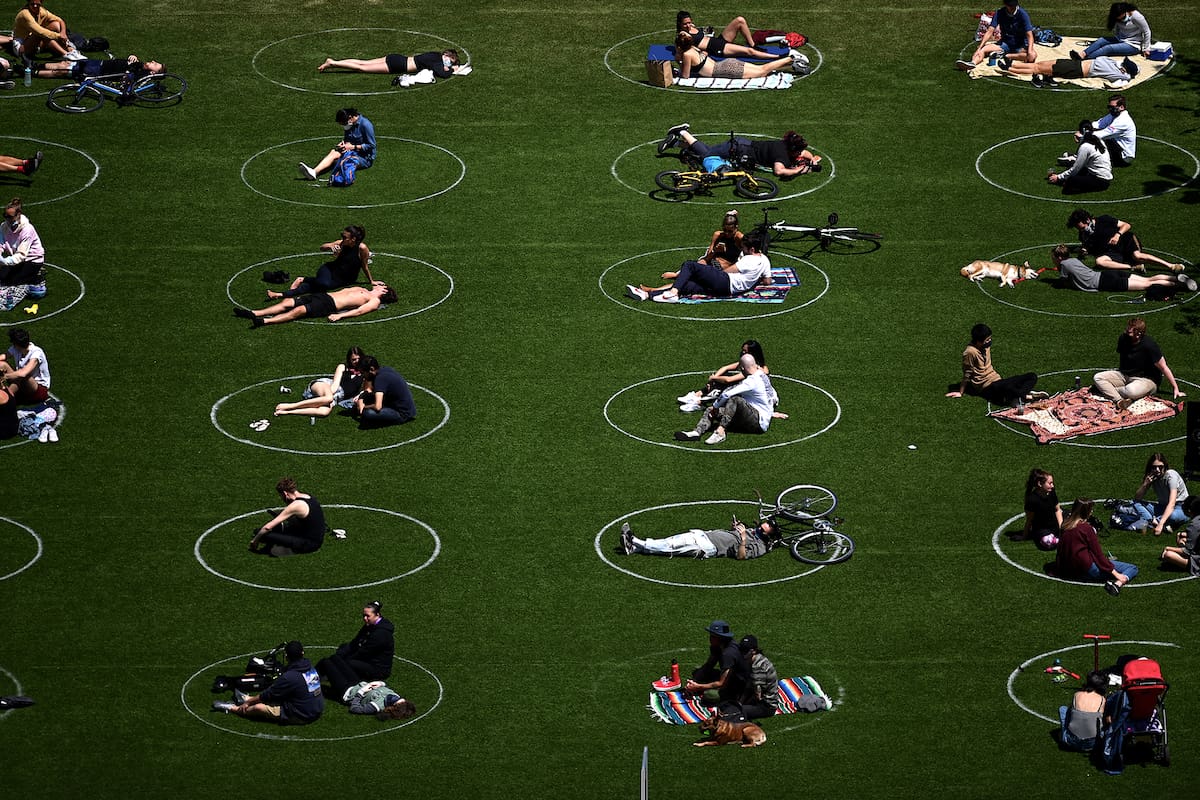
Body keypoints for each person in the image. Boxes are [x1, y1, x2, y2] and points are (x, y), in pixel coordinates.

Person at [212, 641, 324, 725]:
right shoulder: (310, 668)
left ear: (286, 656)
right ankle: (246, 698)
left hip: (302, 715)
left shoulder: (290, 677)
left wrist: (249, 703)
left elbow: (268, 695)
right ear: (302, 653)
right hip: (315, 709)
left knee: (259, 708)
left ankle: (232, 707)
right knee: (279, 694)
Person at [675, 353, 777, 445]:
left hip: (758, 422)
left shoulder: (751, 381)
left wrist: (715, 406)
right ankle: (696, 432)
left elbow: (727, 394)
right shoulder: (761, 374)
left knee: (735, 400)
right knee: (710, 410)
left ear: (742, 368)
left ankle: (720, 432)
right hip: (754, 415)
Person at [659, 124, 822, 179]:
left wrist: (811, 160)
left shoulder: (785, 147)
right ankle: (682, 132)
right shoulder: (781, 155)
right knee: (707, 155)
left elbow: (804, 153)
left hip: (741, 146)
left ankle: (676, 144)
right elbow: (779, 171)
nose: (800, 154)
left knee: (708, 151)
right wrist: (799, 170)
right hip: (738, 149)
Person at [643, 235, 772, 303]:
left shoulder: (749, 259)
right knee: (689, 286)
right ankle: (648, 295)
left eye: (744, 248)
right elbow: (767, 281)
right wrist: (754, 279)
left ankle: (673, 292)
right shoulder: (765, 260)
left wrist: (710, 274)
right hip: (728, 291)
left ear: (752, 249)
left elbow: (727, 271)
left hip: (725, 281)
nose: (743, 251)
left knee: (690, 265)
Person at [1092, 317, 1184, 410]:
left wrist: (1175, 388)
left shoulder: (1149, 345)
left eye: (1131, 331)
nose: (1128, 331)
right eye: (1128, 328)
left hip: (1146, 379)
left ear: (1139, 333)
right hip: (1124, 375)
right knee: (1098, 377)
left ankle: (1109, 390)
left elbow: (1163, 367)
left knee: (1131, 391)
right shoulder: (1123, 338)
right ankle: (1119, 400)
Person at [1054, 498, 1138, 595]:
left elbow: (1061, 550)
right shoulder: (1086, 529)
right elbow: (1098, 555)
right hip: (1087, 569)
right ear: (1085, 511)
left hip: (1069, 569)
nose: (1092, 511)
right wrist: (1116, 574)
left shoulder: (1065, 525)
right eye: (1090, 509)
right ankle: (1117, 584)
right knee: (1132, 568)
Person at [945, 323, 1041, 406]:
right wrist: (961, 392)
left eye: (990, 339)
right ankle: (1026, 396)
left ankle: (1016, 396)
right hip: (985, 387)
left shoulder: (985, 346)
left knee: (1032, 376)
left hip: (997, 380)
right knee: (1007, 387)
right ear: (978, 341)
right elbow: (967, 373)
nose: (989, 342)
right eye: (987, 340)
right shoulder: (970, 352)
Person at [317, 600, 396, 700]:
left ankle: (335, 678)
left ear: (377, 615)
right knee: (342, 649)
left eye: (368, 616)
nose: (365, 618)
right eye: (364, 615)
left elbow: (364, 653)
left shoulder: (380, 634)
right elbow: (355, 642)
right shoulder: (370, 625)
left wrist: (343, 661)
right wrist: (341, 654)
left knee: (347, 663)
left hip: (377, 669)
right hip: (369, 659)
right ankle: (321, 675)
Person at [268, 226, 373, 299]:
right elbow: (321, 247)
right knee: (323, 284)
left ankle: (290, 288)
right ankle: (291, 288)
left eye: (345, 237)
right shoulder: (341, 243)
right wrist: (330, 246)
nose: (342, 238)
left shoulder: (362, 249)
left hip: (344, 279)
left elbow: (364, 266)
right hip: (329, 270)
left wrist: (371, 281)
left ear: (353, 239)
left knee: (317, 287)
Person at [233, 281, 397, 327]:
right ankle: (256, 312)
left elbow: (360, 311)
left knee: (299, 310)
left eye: (381, 285)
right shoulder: (363, 288)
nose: (377, 284)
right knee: (289, 302)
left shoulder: (374, 300)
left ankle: (265, 321)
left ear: (384, 290)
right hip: (324, 296)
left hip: (330, 305)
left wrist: (340, 316)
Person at [1067, 211, 1185, 274]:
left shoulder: (1103, 219)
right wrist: (1084, 251)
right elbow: (1091, 249)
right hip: (1112, 252)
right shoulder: (1084, 236)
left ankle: (1171, 266)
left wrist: (1117, 235)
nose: (1082, 230)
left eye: (1082, 227)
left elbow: (1126, 225)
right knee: (1100, 261)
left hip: (1125, 241)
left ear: (1087, 220)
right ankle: (1133, 267)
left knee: (1137, 255)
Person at [1050, 244, 1194, 296]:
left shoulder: (1063, 266)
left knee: (1147, 285)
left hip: (1104, 283)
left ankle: (1181, 286)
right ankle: (1177, 278)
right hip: (1106, 274)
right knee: (1147, 279)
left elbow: (1062, 283)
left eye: (1053, 257)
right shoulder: (1074, 260)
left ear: (1059, 257)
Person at [618, 516, 781, 559]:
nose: (765, 524)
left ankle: (633, 540)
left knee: (671, 545)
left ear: (770, 533)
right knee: (670, 544)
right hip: (706, 535)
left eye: (768, 525)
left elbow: (741, 556)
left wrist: (743, 538)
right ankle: (633, 548)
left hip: (709, 546)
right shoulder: (754, 531)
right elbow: (734, 537)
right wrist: (736, 528)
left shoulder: (761, 547)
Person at [676, 339, 768, 412]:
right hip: (745, 391)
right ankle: (698, 395)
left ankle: (700, 402)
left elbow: (729, 380)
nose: (742, 353)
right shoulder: (747, 362)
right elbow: (725, 368)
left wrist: (714, 378)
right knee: (723, 377)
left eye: (745, 351)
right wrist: (713, 380)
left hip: (752, 397)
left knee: (728, 386)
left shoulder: (756, 369)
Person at [274, 346, 366, 418]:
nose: (356, 361)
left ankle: (287, 412)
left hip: (337, 397)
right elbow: (334, 385)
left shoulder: (364, 372)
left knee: (324, 412)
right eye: (354, 359)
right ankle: (290, 406)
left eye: (358, 359)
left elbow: (365, 389)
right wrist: (330, 397)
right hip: (326, 386)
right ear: (349, 359)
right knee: (329, 398)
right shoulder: (342, 367)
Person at [672, 30, 801, 80]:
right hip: (726, 64)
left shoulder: (687, 54)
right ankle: (790, 63)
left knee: (762, 71)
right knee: (762, 70)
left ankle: (790, 58)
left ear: (679, 47)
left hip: (725, 69)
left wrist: (679, 61)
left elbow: (685, 76)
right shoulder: (694, 48)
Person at [685, 620, 749, 717]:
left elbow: (721, 683)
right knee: (698, 673)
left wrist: (698, 687)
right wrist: (695, 680)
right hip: (730, 678)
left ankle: (732, 699)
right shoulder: (717, 647)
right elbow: (709, 665)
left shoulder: (728, 654)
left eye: (713, 636)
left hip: (739, 686)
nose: (710, 639)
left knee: (710, 695)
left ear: (720, 638)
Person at [249, 478, 326, 556]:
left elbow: (267, 528)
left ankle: (272, 549)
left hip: (308, 544)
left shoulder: (296, 505)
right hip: (315, 537)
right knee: (270, 531)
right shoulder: (308, 496)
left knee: (259, 533)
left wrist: (255, 541)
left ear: (285, 493)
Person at [1118, 453, 1190, 535]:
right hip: (1163, 507)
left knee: (1172, 516)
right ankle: (1152, 521)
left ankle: (1153, 520)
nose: (1157, 470)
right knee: (1135, 503)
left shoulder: (1171, 476)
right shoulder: (1153, 477)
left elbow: (1172, 503)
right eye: (1154, 467)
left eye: (1160, 467)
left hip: (1181, 508)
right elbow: (1137, 498)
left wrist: (1160, 524)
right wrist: (1145, 484)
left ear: (1165, 466)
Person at [299, 107, 376, 181]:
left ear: (350, 117)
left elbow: (371, 145)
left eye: (344, 123)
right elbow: (347, 139)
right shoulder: (349, 124)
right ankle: (314, 172)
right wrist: (343, 145)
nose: (344, 126)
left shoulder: (365, 125)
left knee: (345, 161)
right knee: (334, 153)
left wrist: (353, 147)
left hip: (364, 158)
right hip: (352, 151)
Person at [956, 0, 1037, 70]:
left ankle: (1007, 56)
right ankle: (972, 63)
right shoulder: (999, 13)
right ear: (1006, 5)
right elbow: (990, 31)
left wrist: (1029, 50)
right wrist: (980, 47)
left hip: (1020, 45)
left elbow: (1029, 35)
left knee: (1032, 56)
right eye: (1010, 6)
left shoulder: (1023, 14)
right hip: (1005, 43)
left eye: (1013, 6)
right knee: (983, 50)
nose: (1012, 8)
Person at [997, 54, 1139, 88]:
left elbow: (1125, 79)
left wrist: (1127, 74)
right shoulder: (1113, 63)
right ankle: (1012, 62)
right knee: (1040, 64)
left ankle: (1009, 68)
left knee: (1037, 68)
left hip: (1074, 69)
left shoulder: (1118, 73)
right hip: (1074, 64)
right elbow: (1123, 67)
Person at [1069, 95, 1136, 166]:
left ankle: (1078, 158)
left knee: (1096, 139)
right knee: (1088, 129)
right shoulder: (1113, 115)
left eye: (1112, 107)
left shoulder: (1123, 121)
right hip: (1117, 147)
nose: (1110, 109)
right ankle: (1080, 157)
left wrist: (1082, 136)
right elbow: (1097, 124)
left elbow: (1102, 134)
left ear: (1121, 107)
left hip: (1123, 157)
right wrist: (1082, 129)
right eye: (1109, 107)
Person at [1047, 122, 1111, 195]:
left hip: (1100, 181)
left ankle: (1062, 181)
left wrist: (1058, 177)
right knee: (1077, 171)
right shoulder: (1099, 140)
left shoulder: (1085, 146)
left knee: (1071, 181)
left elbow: (1076, 168)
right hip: (1103, 177)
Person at [675, 10, 771, 57]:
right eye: (685, 24)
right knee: (749, 52)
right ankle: (776, 57)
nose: (688, 25)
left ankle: (753, 44)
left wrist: (694, 28)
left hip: (718, 40)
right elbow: (683, 49)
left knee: (740, 20)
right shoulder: (682, 36)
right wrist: (700, 52)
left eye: (689, 22)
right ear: (680, 24)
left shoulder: (691, 27)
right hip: (717, 48)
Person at [354, 356, 417, 428]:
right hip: (406, 408)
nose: (363, 376)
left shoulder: (380, 380)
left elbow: (378, 407)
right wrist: (361, 399)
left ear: (371, 369)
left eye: (363, 373)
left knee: (367, 413)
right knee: (367, 399)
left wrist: (364, 407)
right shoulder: (385, 370)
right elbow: (369, 390)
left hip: (402, 414)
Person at [1074, 3, 1152, 60]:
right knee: (1101, 40)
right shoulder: (1115, 17)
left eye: (1122, 17)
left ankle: (1085, 58)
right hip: (1121, 39)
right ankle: (1082, 54)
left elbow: (1147, 31)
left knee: (1108, 48)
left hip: (1134, 45)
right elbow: (1118, 29)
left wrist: (1146, 49)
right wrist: (1117, 38)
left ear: (1125, 12)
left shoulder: (1136, 16)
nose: (1121, 20)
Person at [317, 50, 462, 79]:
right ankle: (333, 63)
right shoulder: (437, 61)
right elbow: (442, 74)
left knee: (363, 63)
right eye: (450, 60)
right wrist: (451, 69)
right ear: (448, 56)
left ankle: (334, 62)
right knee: (362, 68)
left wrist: (445, 66)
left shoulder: (435, 54)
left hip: (396, 57)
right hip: (398, 66)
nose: (449, 62)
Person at [12, 1, 81, 61]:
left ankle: (71, 50)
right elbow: (39, 32)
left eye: (38, 4)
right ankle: (65, 54)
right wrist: (59, 36)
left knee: (55, 25)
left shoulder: (41, 11)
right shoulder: (24, 14)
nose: (35, 6)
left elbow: (60, 20)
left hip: (36, 44)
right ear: (28, 3)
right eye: (32, 4)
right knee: (42, 34)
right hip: (21, 49)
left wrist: (63, 33)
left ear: (41, 3)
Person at [1059, 671, 1108, 752]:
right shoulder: (1102, 700)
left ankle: (1064, 735)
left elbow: (1071, 712)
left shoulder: (1077, 694)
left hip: (1072, 740)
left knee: (1063, 709)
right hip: (1093, 744)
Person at [2, 199, 46, 287]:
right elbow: (1, 243)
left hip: (32, 260)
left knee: (10, 283)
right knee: (2, 277)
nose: (7, 219)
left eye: (10, 216)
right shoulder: (4, 226)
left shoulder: (27, 229)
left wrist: (5, 261)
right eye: (5, 215)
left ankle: (36, 276)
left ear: (18, 215)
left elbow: (22, 254)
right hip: (16, 260)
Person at [1, 327, 50, 404]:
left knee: (23, 375)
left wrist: (4, 376)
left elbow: (24, 373)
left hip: (38, 389)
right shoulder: (16, 348)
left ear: (16, 344)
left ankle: (7, 399)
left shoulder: (36, 352)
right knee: (2, 364)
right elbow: (3, 356)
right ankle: (5, 394)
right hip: (21, 384)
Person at [738, 635, 780, 721]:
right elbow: (749, 685)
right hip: (761, 698)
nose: (742, 653)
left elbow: (757, 695)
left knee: (737, 711)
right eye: (741, 650)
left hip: (767, 706)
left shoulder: (757, 666)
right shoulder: (755, 660)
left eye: (745, 651)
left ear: (753, 651)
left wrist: (742, 704)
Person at [35, 54, 164, 80]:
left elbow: (127, 77)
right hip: (99, 63)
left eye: (155, 64)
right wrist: (132, 56)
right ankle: (34, 66)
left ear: (153, 73)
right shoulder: (140, 65)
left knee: (62, 71)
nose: (153, 61)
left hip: (98, 70)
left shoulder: (140, 75)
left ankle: (33, 72)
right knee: (65, 64)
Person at [1022, 468, 1062, 550]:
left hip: (1055, 524)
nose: (1052, 486)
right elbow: (1029, 520)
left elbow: (1057, 510)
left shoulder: (1051, 492)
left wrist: (1061, 527)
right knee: (1047, 542)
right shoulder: (1032, 500)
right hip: (1042, 530)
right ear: (1040, 484)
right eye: (1050, 483)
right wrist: (1024, 536)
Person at [1160, 496, 1200, 574]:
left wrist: (1168, 548)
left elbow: (1187, 551)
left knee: (1168, 554)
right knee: (1182, 539)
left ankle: (1190, 565)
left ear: (1189, 511)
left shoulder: (1194, 525)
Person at [342, 680, 417, 719]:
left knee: (330, 664)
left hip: (348, 691)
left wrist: (360, 693)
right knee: (337, 659)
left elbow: (354, 708)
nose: (396, 697)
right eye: (400, 698)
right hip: (359, 683)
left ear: (394, 705)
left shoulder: (376, 706)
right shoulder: (395, 696)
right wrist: (381, 683)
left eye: (396, 700)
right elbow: (385, 690)